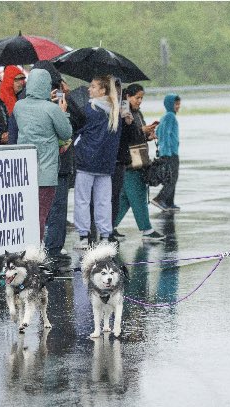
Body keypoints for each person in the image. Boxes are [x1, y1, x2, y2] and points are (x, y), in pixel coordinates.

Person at [32, 60, 86, 265]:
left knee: (58, 207)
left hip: (60, 161)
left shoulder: (62, 97)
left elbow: (81, 120)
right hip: (45, 161)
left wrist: (67, 98)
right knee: (47, 208)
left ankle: (54, 247)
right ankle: (47, 250)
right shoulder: (30, 101)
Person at [12, 68, 73, 244]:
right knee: (41, 214)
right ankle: (34, 253)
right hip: (46, 171)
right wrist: (62, 112)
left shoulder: (19, 106)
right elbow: (65, 132)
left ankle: (23, 248)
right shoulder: (52, 109)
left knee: (27, 214)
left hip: (24, 169)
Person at [72, 75, 123, 247]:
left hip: (86, 161)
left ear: (102, 90)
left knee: (82, 200)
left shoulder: (89, 109)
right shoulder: (116, 112)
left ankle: (83, 236)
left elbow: (78, 131)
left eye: (93, 86)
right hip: (106, 163)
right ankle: (105, 235)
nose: (89, 89)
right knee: (103, 201)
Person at [112, 83, 165, 242]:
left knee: (125, 198)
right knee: (139, 196)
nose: (140, 101)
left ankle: (109, 228)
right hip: (130, 162)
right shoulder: (123, 112)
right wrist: (143, 130)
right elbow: (127, 133)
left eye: (141, 98)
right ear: (127, 96)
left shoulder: (136, 113)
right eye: (137, 97)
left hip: (137, 160)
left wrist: (148, 134)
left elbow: (137, 135)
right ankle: (147, 230)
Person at [151, 93, 181, 211]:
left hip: (169, 152)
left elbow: (158, 132)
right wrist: (167, 151)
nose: (178, 106)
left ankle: (169, 202)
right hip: (170, 153)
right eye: (176, 104)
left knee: (171, 176)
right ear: (170, 104)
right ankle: (160, 198)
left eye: (179, 104)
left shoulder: (166, 116)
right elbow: (165, 134)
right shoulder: (170, 116)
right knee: (172, 177)